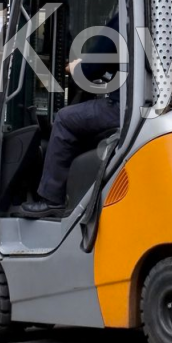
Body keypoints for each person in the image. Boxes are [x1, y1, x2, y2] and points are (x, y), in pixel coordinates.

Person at [20, 13, 121, 216]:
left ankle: (52, 198)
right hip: (161, 106)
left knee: (66, 118)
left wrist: (78, 67)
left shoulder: (126, 17)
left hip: (124, 108)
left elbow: (93, 66)